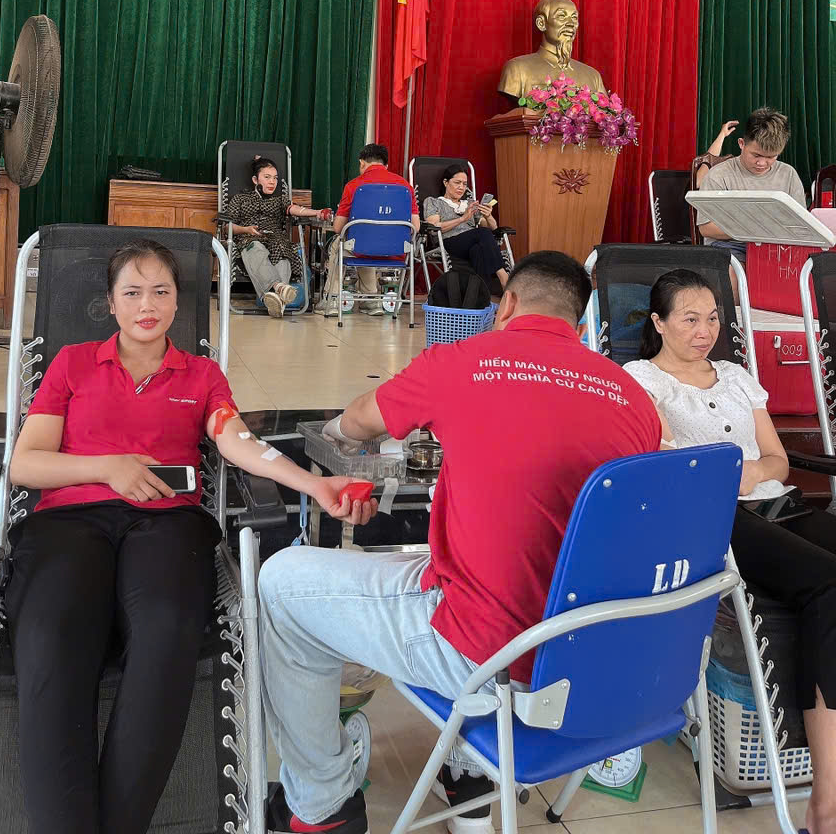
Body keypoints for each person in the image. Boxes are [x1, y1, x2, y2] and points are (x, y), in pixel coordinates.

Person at [259, 251, 661, 834]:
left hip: (488, 655)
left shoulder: (463, 360)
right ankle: (468, 769)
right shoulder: (632, 396)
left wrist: (334, 436)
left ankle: (321, 807)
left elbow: (358, 422)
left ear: (507, 304)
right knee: (475, 549)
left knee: (283, 583)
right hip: (595, 655)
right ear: (578, 326)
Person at [6, 239, 375, 834]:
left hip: (167, 524)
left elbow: (238, 442)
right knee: (50, 634)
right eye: (132, 292)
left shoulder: (201, 375)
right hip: (69, 521)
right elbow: (25, 464)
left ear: (179, 302)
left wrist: (314, 484)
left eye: (161, 291)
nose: (147, 305)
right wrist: (109, 467)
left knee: (168, 627)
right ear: (110, 303)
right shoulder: (73, 363)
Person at [625, 269, 836, 834]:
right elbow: (668, 465)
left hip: (777, 502)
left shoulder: (739, 376)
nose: (705, 331)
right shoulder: (642, 380)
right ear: (658, 323)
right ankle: (826, 801)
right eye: (690, 319)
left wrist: (747, 472)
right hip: (714, 519)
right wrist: (738, 474)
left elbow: (778, 460)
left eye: (713, 318)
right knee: (828, 583)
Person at [314, 143, 420, 317]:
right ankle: (371, 300)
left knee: (342, 244)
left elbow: (338, 227)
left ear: (362, 163)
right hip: (397, 250)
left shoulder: (354, 185)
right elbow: (415, 226)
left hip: (361, 247)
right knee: (364, 244)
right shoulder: (405, 186)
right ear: (386, 165)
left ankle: (331, 300)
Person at [225, 155, 331, 317]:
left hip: (275, 239)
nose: (272, 182)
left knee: (282, 252)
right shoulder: (240, 199)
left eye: (275, 178)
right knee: (256, 248)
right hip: (249, 238)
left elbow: (295, 209)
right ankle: (280, 288)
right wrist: (246, 229)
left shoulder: (280, 200)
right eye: (267, 177)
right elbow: (228, 226)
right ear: (255, 180)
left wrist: (317, 212)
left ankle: (276, 300)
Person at [697, 107, 807, 262]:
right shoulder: (719, 175)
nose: (762, 163)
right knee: (734, 273)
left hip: (776, 247)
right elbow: (706, 228)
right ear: (741, 144)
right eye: (756, 155)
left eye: (771, 157)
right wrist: (758, 230)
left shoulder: (788, 174)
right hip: (730, 245)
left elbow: (801, 223)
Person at [423, 162, 508, 292]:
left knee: (478, 250)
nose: (461, 187)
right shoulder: (433, 202)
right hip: (449, 241)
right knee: (482, 233)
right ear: (446, 182)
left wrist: (488, 215)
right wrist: (462, 219)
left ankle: (480, 295)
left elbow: (492, 227)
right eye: (457, 183)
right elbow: (434, 228)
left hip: (472, 241)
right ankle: (504, 278)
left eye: (464, 184)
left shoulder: (469, 204)